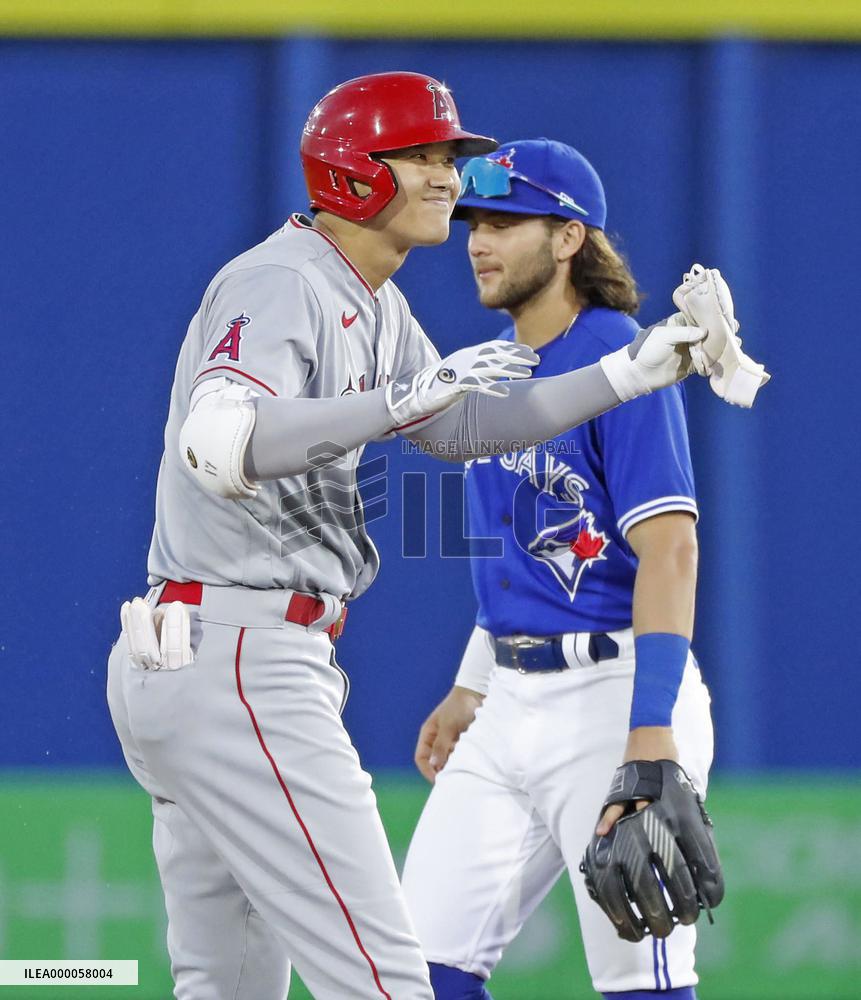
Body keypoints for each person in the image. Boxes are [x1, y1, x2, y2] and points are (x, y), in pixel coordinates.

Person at [106, 76, 726, 1000]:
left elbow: (467, 428)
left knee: (227, 987)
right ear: (357, 173)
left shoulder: (375, 302)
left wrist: (630, 373)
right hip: (240, 655)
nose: (449, 183)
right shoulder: (283, 281)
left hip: (210, 651)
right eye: (427, 158)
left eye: (449, 162)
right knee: (391, 985)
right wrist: (395, 401)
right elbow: (218, 443)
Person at [401, 138, 729, 1000]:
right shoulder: (500, 369)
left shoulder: (621, 357)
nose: (478, 239)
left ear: (567, 239)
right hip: (507, 703)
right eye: (474, 220)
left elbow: (671, 548)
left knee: (639, 982)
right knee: (411, 976)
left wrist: (649, 733)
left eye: (506, 221)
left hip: (612, 697)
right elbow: (524, 550)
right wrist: (471, 683)